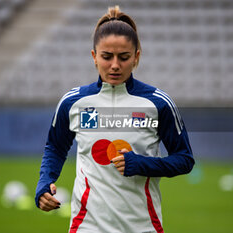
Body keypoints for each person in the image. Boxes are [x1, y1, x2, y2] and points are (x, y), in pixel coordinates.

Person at [35, 5, 194, 233]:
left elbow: (185, 159)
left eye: (124, 57)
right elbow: (55, 148)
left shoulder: (158, 104)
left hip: (142, 226)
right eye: (107, 57)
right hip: (86, 225)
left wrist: (141, 164)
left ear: (137, 57)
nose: (115, 65)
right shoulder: (73, 102)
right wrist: (44, 184)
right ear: (94, 57)